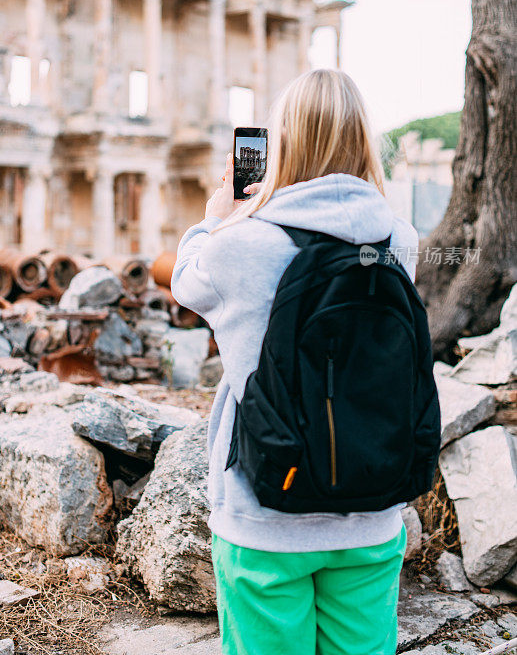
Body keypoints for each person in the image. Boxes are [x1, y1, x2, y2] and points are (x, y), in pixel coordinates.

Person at [171, 69, 418, 655]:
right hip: (372, 508)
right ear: (362, 140)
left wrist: (217, 217)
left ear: (281, 143)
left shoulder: (239, 244)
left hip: (265, 509)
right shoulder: (398, 240)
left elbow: (186, 283)